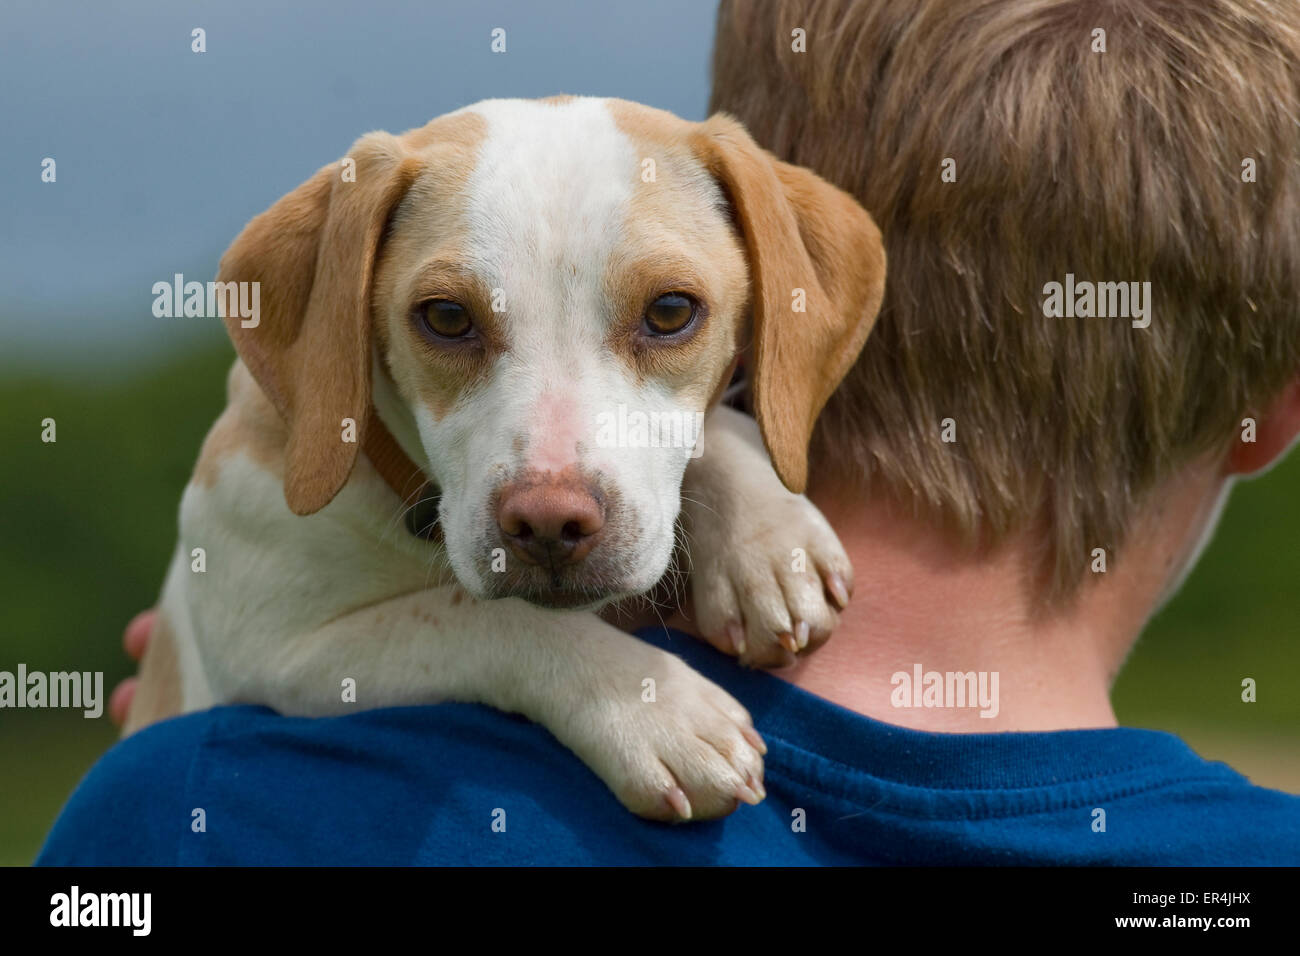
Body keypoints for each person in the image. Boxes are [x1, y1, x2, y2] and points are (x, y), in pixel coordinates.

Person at [40, 0, 1300, 864]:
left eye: (666, 316)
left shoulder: (186, 811)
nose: (549, 485)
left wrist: (197, 788)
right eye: (448, 324)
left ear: (774, 301)